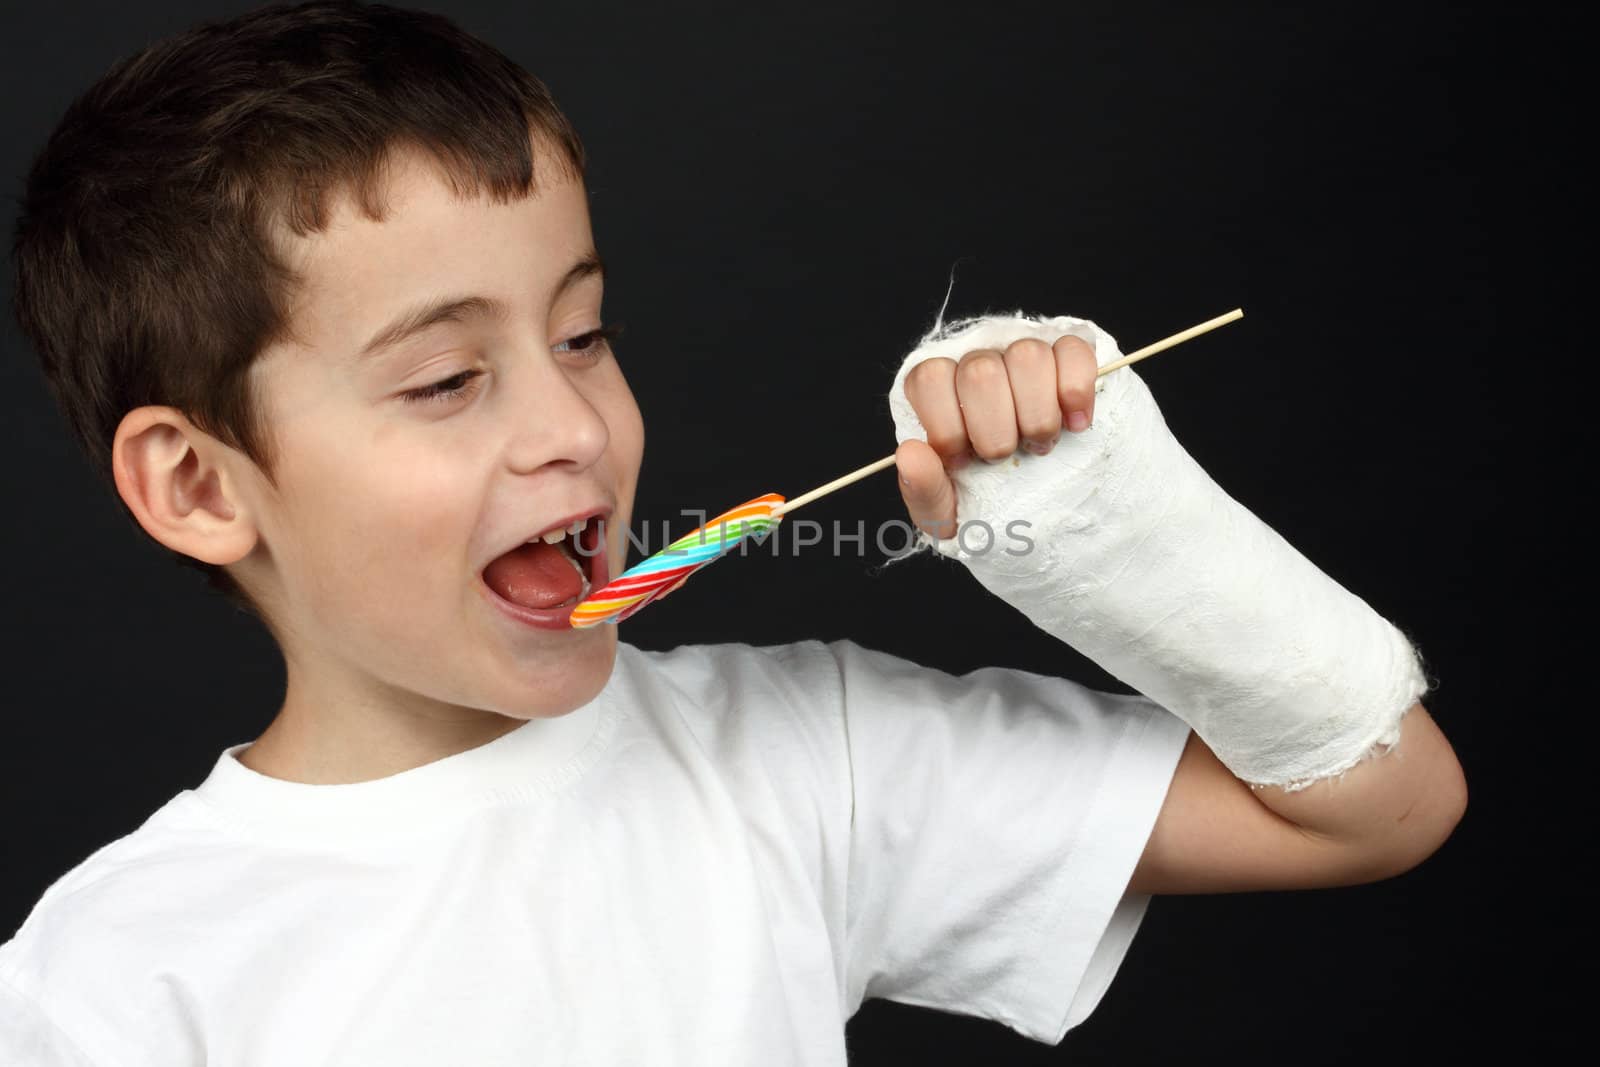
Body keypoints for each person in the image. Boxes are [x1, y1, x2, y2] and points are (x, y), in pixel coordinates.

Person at [0, 2, 1466, 1063]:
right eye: (448, 378)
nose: (571, 424)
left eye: (582, 333)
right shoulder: (111, 980)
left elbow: (1384, 808)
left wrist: (1099, 528)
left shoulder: (800, 758)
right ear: (200, 487)